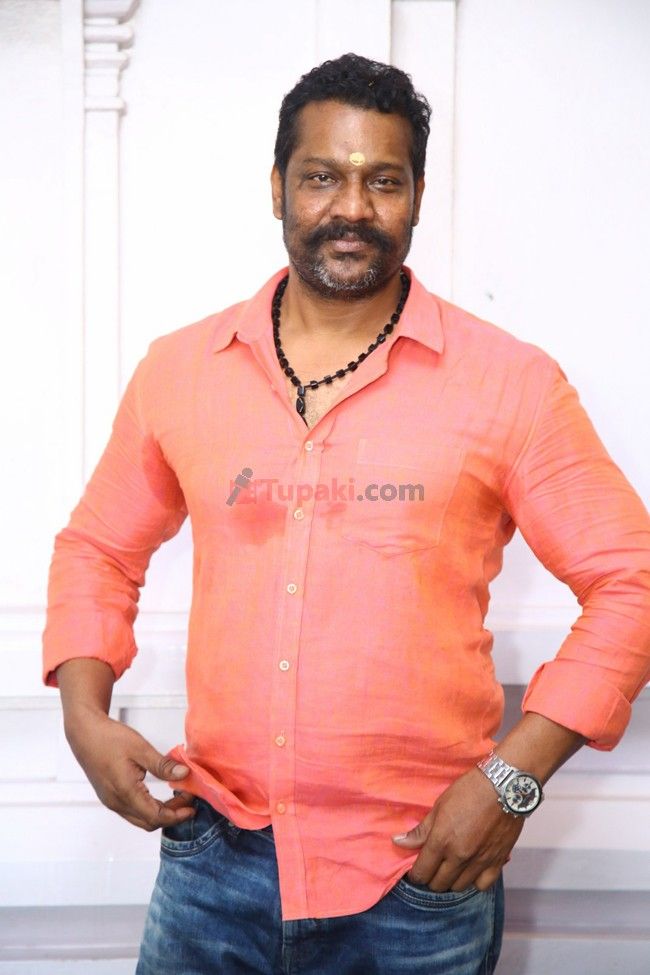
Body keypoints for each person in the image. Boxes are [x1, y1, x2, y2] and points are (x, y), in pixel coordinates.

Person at [42, 53, 650, 975]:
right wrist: (83, 713)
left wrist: (512, 778)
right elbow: (98, 547)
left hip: (421, 877)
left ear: (417, 197)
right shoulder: (179, 370)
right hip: (210, 865)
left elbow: (632, 580)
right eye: (323, 176)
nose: (353, 207)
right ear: (277, 186)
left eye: (384, 181)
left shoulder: (511, 384)